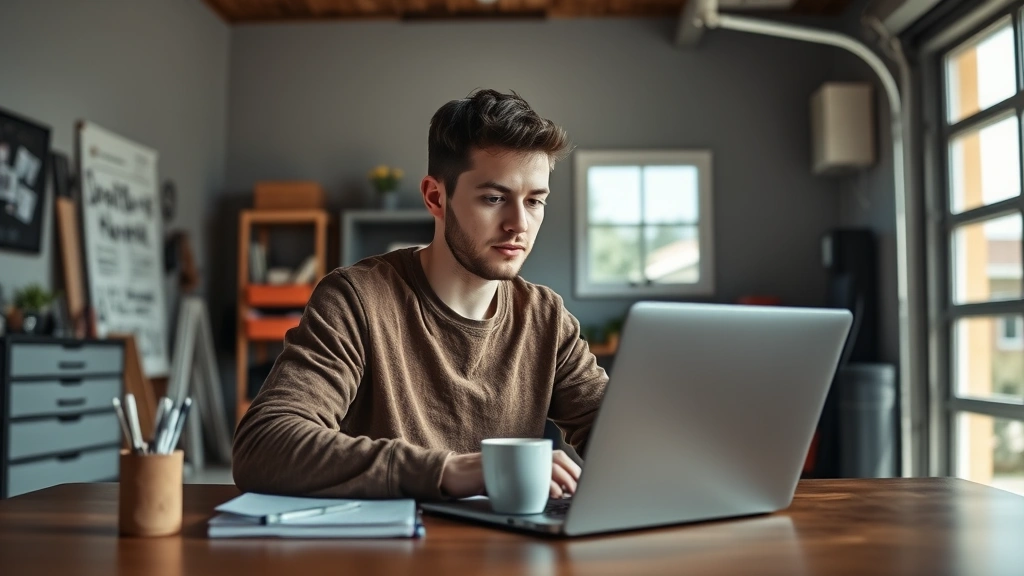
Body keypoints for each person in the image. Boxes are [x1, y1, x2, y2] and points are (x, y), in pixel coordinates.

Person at [232, 89, 608, 501]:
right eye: (495, 198)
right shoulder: (357, 299)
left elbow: (621, 435)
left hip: (508, 557)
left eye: (535, 201)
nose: (518, 224)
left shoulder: (546, 318)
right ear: (435, 197)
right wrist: (443, 469)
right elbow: (263, 445)